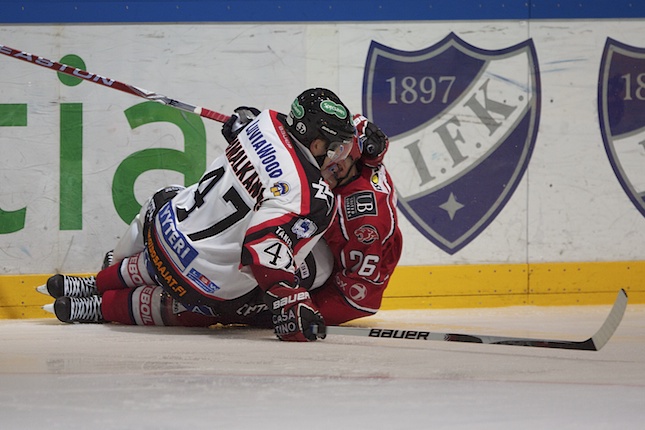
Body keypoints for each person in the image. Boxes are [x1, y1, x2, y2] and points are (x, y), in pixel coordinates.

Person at [40, 95, 403, 338]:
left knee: (166, 199)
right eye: (335, 147)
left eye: (344, 153)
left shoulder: (268, 123)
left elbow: (359, 296)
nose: (336, 158)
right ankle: (103, 301)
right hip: (207, 283)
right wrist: (289, 302)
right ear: (318, 142)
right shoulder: (312, 195)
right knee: (230, 288)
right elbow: (264, 245)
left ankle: (103, 282)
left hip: (162, 236)